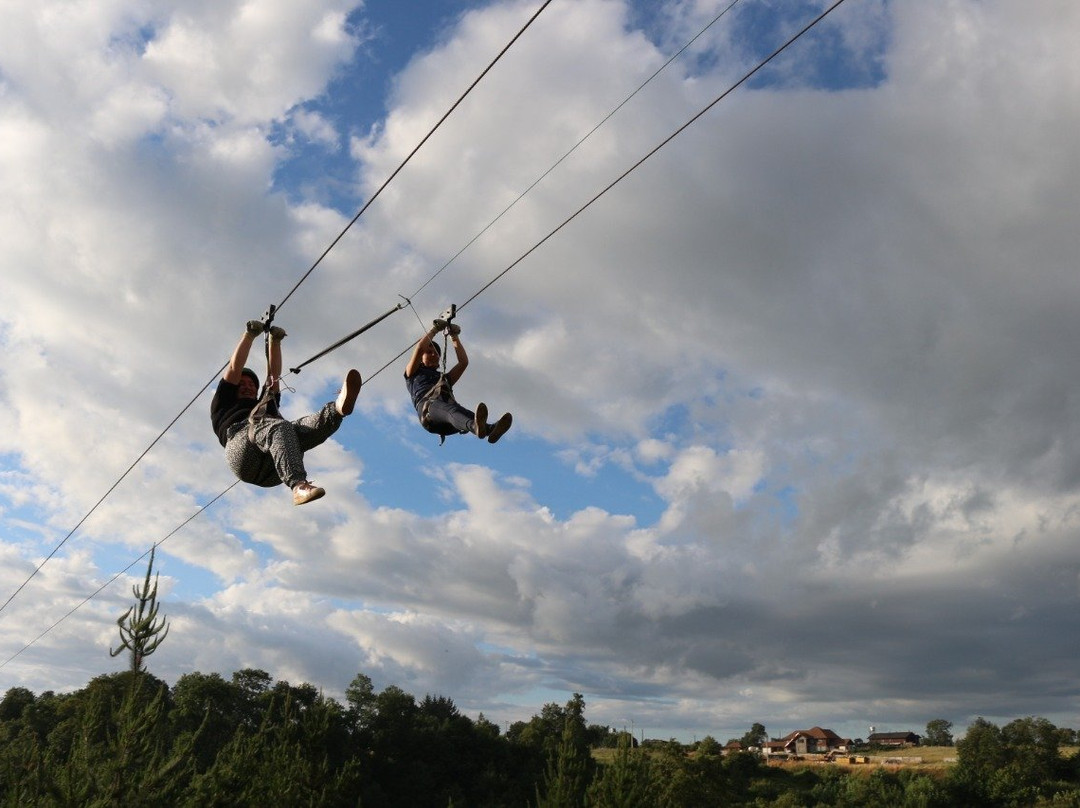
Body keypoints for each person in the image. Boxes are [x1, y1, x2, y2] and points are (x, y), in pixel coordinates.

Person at [210, 319, 362, 505]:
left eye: (251, 384)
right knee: (279, 427)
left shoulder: (264, 406)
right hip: (241, 452)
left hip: (274, 469)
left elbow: (273, 377)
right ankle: (299, 486)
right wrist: (249, 336)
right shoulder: (224, 401)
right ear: (233, 387)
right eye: (242, 383)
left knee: (300, 428)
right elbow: (235, 368)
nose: (248, 386)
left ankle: (337, 409)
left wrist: (275, 342)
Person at [405, 320, 512, 443]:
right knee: (452, 410)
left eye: (436, 353)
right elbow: (419, 349)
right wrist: (434, 330)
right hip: (430, 414)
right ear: (421, 359)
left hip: (452, 423)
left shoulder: (444, 379)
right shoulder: (413, 373)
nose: (434, 354)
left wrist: (454, 336)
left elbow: (463, 363)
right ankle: (475, 427)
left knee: (465, 413)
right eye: (429, 352)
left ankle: (490, 430)